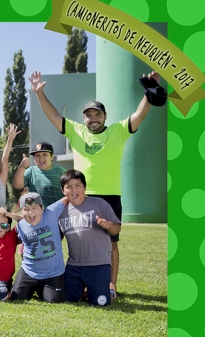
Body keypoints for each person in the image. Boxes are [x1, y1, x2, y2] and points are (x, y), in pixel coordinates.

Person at [29, 70, 162, 299]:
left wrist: (149, 90)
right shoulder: (76, 130)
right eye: (89, 115)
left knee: (111, 243)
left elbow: (140, 114)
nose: (93, 118)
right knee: (70, 239)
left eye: (97, 114)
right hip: (80, 195)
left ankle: (110, 286)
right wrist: (40, 93)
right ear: (84, 118)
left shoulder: (118, 131)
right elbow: (53, 116)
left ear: (104, 116)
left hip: (109, 196)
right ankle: (55, 281)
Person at [58, 170, 121, 307]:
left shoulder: (99, 204)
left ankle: (108, 290)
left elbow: (117, 228)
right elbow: (57, 238)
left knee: (100, 302)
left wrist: (108, 225)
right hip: (74, 266)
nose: (74, 190)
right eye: (69, 187)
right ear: (63, 190)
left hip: (98, 265)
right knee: (70, 300)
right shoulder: (62, 212)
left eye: (78, 185)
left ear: (85, 187)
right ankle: (88, 290)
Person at [9, 192, 68, 303]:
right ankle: (33, 287)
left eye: (34, 208)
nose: (30, 213)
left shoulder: (51, 213)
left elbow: (67, 198)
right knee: (16, 298)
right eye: (26, 209)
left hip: (53, 272)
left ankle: (41, 288)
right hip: (29, 271)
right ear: (21, 211)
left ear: (42, 208)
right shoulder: (21, 226)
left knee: (54, 301)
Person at [13, 142, 66, 208]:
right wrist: (22, 167)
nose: (41, 158)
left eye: (44, 154)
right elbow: (17, 185)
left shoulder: (61, 172)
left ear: (52, 156)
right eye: (37, 155)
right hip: (36, 215)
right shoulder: (30, 171)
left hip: (57, 214)